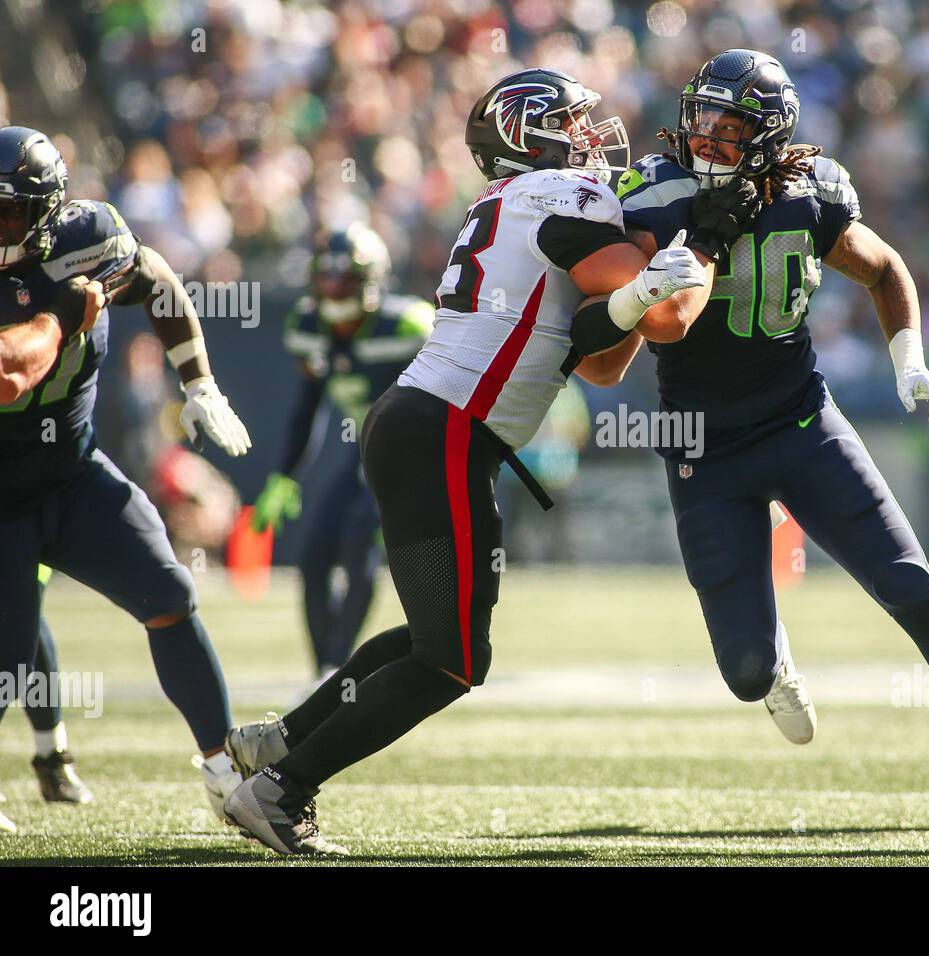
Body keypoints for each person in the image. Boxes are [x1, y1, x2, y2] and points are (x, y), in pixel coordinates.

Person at [220, 67, 746, 854]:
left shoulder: (512, 205)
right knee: (454, 659)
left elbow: (601, 356)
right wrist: (699, 240)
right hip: (446, 433)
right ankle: (282, 790)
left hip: (428, 428)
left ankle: (276, 743)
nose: (590, 138)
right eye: (571, 123)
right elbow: (665, 314)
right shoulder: (557, 198)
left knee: (436, 636)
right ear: (526, 135)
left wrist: (648, 257)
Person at [616, 49, 929, 853]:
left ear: (771, 136)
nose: (707, 137)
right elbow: (644, 318)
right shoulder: (655, 194)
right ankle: (773, 661)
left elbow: (884, 269)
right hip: (702, 448)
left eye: (731, 126)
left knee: (915, 593)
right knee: (744, 672)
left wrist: (912, 362)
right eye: (701, 116)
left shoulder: (810, 191)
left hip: (802, 422)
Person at [0, 125, 249, 834]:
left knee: (169, 592)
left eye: (7, 211)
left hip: (71, 472)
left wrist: (199, 383)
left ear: (45, 210)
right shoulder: (57, 287)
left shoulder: (90, 235)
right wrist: (60, 316)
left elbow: (156, 278)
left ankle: (225, 770)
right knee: (8, 656)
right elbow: (10, 375)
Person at [251, 224, 434, 682]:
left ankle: (338, 666)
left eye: (344, 278)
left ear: (371, 281)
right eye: (326, 278)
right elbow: (307, 406)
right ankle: (324, 673)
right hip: (365, 454)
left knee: (359, 544)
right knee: (313, 556)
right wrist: (285, 475)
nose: (333, 289)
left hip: (416, 456)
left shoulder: (408, 325)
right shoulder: (309, 326)